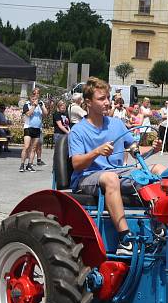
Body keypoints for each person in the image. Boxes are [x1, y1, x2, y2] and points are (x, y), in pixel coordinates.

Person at [68, 78, 163, 254]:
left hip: (119, 172)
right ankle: (125, 239)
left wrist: (153, 149)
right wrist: (96, 152)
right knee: (111, 178)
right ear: (88, 103)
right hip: (88, 176)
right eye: (102, 98)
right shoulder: (78, 131)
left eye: (108, 97)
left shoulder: (116, 124)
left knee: (158, 171)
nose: (107, 102)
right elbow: (76, 164)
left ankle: (159, 226)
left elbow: (134, 149)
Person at [20, 88, 47, 172]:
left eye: (37, 95)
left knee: (34, 147)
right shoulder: (26, 104)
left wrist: (42, 106)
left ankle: (30, 164)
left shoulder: (40, 104)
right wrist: (34, 106)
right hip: (28, 127)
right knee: (26, 146)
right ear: (30, 97)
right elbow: (28, 114)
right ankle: (22, 164)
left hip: (37, 128)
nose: (35, 98)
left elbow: (45, 114)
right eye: (33, 96)